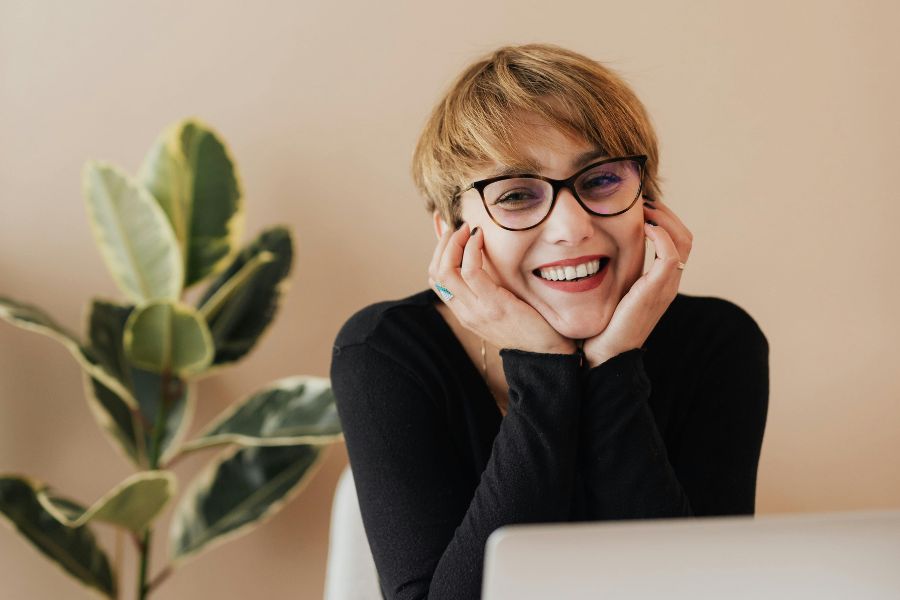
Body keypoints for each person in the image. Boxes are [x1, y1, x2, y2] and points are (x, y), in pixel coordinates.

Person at [330, 43, 769, 600]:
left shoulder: (718, 343)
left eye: (601, 179)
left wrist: (613, 365)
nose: (571, 226)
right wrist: (542, 368)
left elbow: (702, 591)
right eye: (515, 195)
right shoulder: (386, 351)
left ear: (648, 203)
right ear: (451, 233)